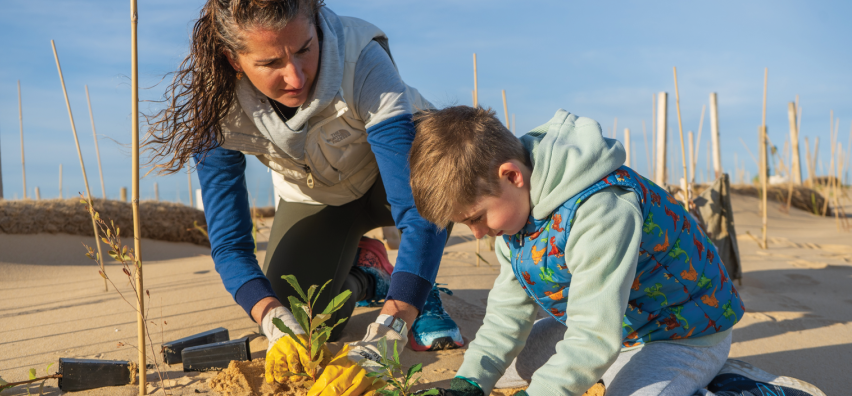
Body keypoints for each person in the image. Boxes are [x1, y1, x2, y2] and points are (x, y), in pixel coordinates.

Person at [146, 0, 464, 387]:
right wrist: (273, 321)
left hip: (401, 180)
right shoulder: (215, 106)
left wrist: (390, 330)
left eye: (304, 49)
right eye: (269, 64)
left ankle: (417, 290)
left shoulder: (362, 57)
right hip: (319, 198)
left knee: (448, 179)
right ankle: (368, 275)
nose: (295, 77)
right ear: (233, 60)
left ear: (316, 24)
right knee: (307, 321)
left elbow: (420, 212)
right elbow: (230, 245)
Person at [407, 106, 826, 396]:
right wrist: (470, 381)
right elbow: (507, 314)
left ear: (512, 175)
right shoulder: (514, 216)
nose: (477, 233)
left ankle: (738, 382)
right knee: (515, 368)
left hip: (681, 334)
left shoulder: (601, 208)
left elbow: (592, 336)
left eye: (476, 218)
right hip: (616, 326)